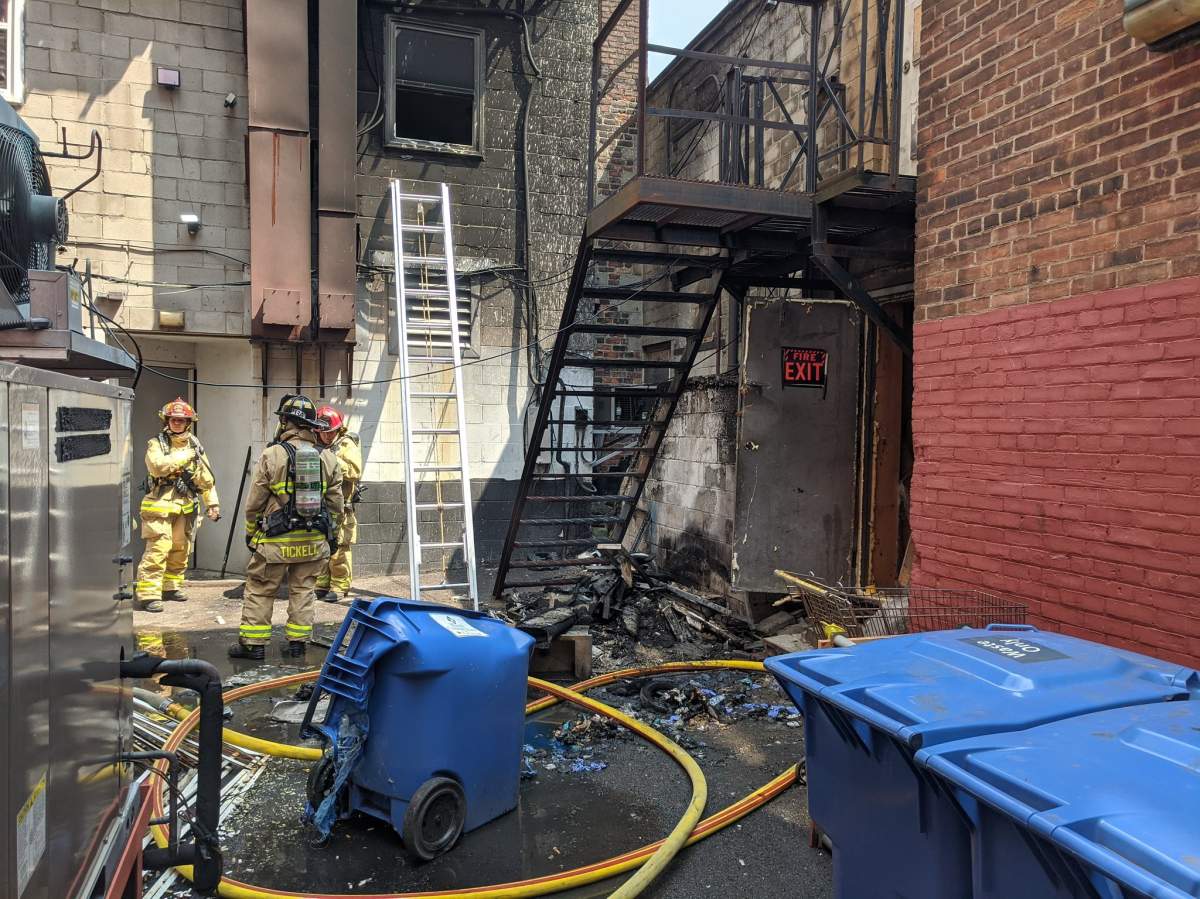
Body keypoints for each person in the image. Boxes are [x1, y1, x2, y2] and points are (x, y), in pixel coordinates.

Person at [229, 394, 343, 661]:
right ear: (311, 426)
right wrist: (333, 536)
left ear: (284, 421)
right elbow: (336, 505)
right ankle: (297, 645)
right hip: (314, 541)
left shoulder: (272, 454)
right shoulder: (328, 458)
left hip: (275, 542)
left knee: (260, 588)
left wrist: (251, 532)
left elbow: (254, 503)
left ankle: (254, 646)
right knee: (303, 590)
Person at [134, 398, 220, 612]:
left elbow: (205, 479)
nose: (177, 424)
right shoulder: (157, 443)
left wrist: (212, 504)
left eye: (182, 420)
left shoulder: (195, 446)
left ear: (188, 422)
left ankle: (171, 587)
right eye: (174, 420)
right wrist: (185, 456)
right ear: (167, 420)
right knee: (158, 549)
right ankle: (148, 595)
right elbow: (157, 467)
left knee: (180, 548)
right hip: (159, 506)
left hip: (185, 505)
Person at [314, 404, 363, 603]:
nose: (325, 436)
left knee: (339, 548)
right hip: (320, 506)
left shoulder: (346, 444)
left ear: (337, 429)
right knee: (321, 546)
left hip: (342, 507)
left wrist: (330, 460)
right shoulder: (317, 445)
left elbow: (355, 471)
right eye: (322, 433)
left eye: (329, 432)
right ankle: (322, 584)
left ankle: (339, 586)